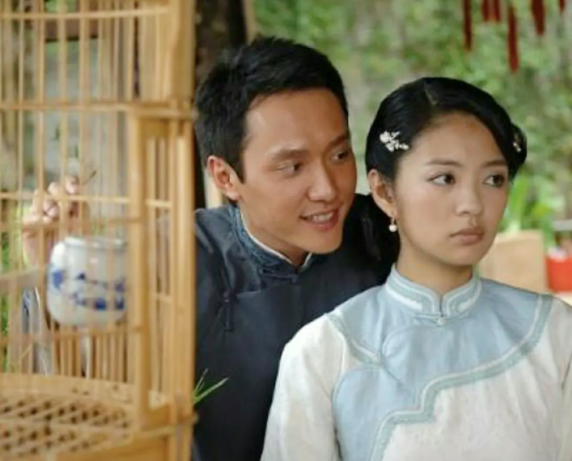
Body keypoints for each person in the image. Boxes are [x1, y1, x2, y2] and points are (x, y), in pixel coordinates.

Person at [21, 37, 397, 461]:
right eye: (293, 166)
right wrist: (54, 274)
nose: (327, 188)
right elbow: (84, 403)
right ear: (225, 177)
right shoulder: (169, 257)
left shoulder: (382, 235)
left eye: (340, 154)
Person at [261, 77, 572, 461]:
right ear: (385, 192)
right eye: (444, 179)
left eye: (493, 179)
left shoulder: (555, 333)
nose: (472, 204)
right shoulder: (326, 351)